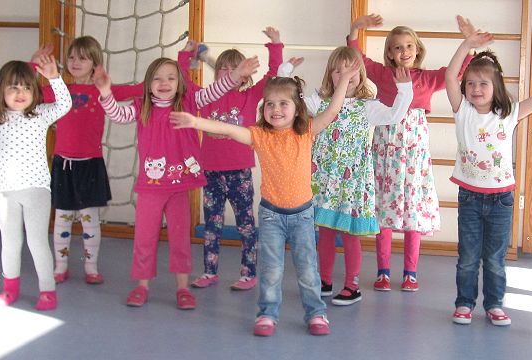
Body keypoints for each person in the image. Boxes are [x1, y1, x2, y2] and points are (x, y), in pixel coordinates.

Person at [169, 60, 360, 336]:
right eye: (270, 104)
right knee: (271, 271)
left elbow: (332, 111)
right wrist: (195, 121)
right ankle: (267, 314)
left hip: (303, 215)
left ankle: (316, 313)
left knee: (308, 270)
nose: (276, 109)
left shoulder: (305, 133)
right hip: (271, 215)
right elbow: (227, 129)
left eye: (284, 104)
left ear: (297, 109)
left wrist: (343, 82)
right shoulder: (259, 135)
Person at [94, 54, 258, 309]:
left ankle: (182, 288)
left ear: (180, 82)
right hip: (151, 188)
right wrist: (105, 92)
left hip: (179, 187)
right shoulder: (140, 107)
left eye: (171, 77)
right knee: (144, 238)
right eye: (157, 78)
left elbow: (217, 89)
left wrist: (237, 74)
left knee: (180, 238)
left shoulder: (190, 102)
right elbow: (117, 114)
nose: (164, 82)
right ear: (148, 84)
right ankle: (142, 285)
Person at [446, 32, 532, 326]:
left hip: (501, 199)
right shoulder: (463, 112)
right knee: (468, 257)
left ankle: (494, 304)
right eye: (470, 83)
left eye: (483, 83)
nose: (475, 88)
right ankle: (464, 304)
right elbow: (449, 75)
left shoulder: (507, 115)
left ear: (496, 87)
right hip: (470, 197)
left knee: (495, 259)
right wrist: (466, 46)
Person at [348, 14, 475, 291]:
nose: (403, 51)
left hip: (414, 155)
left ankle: (410, 272)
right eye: (397, 47)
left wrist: (469, 41)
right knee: (384, 210)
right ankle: (382, 271)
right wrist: (356, 30)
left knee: (412, 211)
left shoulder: (427, 79)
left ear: (416, 49)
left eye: (408, 46)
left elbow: (458, 71)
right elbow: (358, 58)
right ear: (390, 53)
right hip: (385, 152)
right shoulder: (382, 74)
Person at [177, 27, 284, 291]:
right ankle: (209, 272)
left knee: (246, 225)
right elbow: (183, 82)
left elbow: (273, 76)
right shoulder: (206, 98)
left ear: (244, 73)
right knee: (211, 226)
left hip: (240, 173)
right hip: (211, 172)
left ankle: (249, 274)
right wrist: (184, 53)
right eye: (221, 68)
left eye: (232, 69)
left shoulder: (249, 95)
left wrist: (276, 45)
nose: (226, 73)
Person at [31, 37, 142, 285]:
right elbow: (28, 90)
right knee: (63, 218)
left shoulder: (102, 89)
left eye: (83, 57)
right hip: (64, 165)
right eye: (71, 57)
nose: (75, 62)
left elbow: (140, 89)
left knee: (90, 219)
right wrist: (33, 63)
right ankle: (61, 266)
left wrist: (176, 70)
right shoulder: (58, 90)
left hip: (90, 165)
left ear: (95, 63)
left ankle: (91, 267)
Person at [309, 46, 413, 305]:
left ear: (362, 74)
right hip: (325, 182)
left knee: (350, 235)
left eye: (351, 69)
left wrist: (405, 89)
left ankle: (351, 285)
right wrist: (285, 70)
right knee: (325, 234)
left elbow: (395, 115)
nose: (345, 74)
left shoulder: (368, 107)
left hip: (353, 184)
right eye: (338, 70)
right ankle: (324, 280)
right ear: (329, 75)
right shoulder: (320, 103)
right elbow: (291, 98)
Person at [0, 56, 72, 310]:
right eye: (13, 87)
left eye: (27, 87)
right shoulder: (0, 119)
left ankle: (47, 291)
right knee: (9, 241)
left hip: (36, 190)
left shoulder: (40, 114)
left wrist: (54, 77)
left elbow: (65, 104)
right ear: (2, 91)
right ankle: (10, 288)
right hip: (4, 192)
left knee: (37, 241)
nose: (21, 93)